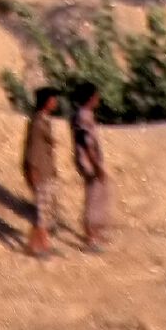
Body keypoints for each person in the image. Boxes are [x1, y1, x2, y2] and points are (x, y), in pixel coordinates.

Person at [20, 85, 66, 257]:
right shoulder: (38, 122)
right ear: (46, 102)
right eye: (53, 99)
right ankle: (34, 246)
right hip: (40, 172)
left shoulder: (43, 120)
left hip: (46, 171)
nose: (56, 102)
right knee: (41, 212)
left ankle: (44, 244)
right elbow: (32, 149)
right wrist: (32, 171)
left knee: (45, 212)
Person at [69, 83, 113, 253]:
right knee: (93, 198)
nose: (98, 99)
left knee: (98, 195)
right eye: (95, 96)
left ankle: (95, 233)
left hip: (89, 160)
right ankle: (90, 238)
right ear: (89, 98)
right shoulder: (82, 116)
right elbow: (86, 142)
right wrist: (96, 165)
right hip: (88, 161)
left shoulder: (83, 115)